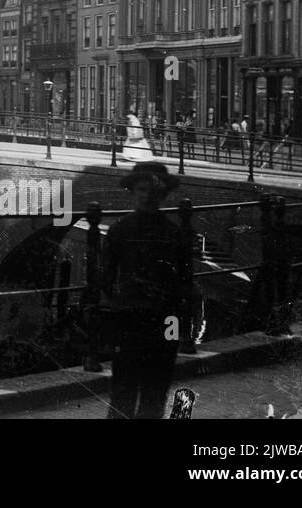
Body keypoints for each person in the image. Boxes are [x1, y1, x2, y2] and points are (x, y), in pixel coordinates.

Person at [102, 161, 185, 419]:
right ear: (133, 191)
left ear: (163, 195)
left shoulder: (173, 234)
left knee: (148, 390)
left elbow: (182, 282)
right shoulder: (121, 232)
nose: (149, 196)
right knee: (134, 390)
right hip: (135, 319)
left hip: (153, 319)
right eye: (142, 190)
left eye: (155, 191)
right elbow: (105, 277)